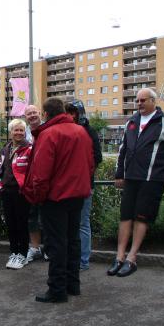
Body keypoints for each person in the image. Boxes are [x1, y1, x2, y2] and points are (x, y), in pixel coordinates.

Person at [108, 88, 164, 277]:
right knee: (125, 216)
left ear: (153, 101)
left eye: (143, 100)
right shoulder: (132, 121)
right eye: (137, 101)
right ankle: (119, 257)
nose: (139, 104)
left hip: (153, 178)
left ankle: (131, 258)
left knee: (141, 218)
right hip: (131, 178)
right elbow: (122, 150)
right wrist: (119, 174)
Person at [23, 97, 94, 303]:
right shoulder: (81, 132)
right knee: (73, 240)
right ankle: (73, 285)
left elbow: (41, 172)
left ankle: (57, 290)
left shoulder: (48, 134)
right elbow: (90, 163)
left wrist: (38, 196)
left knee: (56, 244)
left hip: (55, 197)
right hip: (77, 194)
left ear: (45, 113)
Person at [65, 101, 102, 271]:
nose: (71, 116)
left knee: (82, 223)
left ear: (80, 113)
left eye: (73, 112)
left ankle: (83, 260)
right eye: (67, 113)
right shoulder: (64, 131)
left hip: (84, 185)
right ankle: (71, 258)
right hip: (66, 187)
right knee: (68, 223)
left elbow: (97, 157)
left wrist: (79, 172)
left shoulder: (89, 131)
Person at [0, 119, 32, 269]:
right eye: (16, 130)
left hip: (21, 192)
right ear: (11, 132)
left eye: (21, 130)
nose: (19, 133)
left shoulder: (29, 148)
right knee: (10, 223)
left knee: (21, 223)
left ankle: (22, 253)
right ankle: (14, 251)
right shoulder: (6, 148)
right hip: (7, 191)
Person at [23, 105, 46, 262]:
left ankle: (48, 248)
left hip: (45, 180)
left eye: (34, 113)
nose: (32, 116)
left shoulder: (47, 129)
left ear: (40, 114)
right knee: (32, 216)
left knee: (47, 216)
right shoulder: (23, 132)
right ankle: (35, 247)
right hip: (29, 181)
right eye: (29, 114)